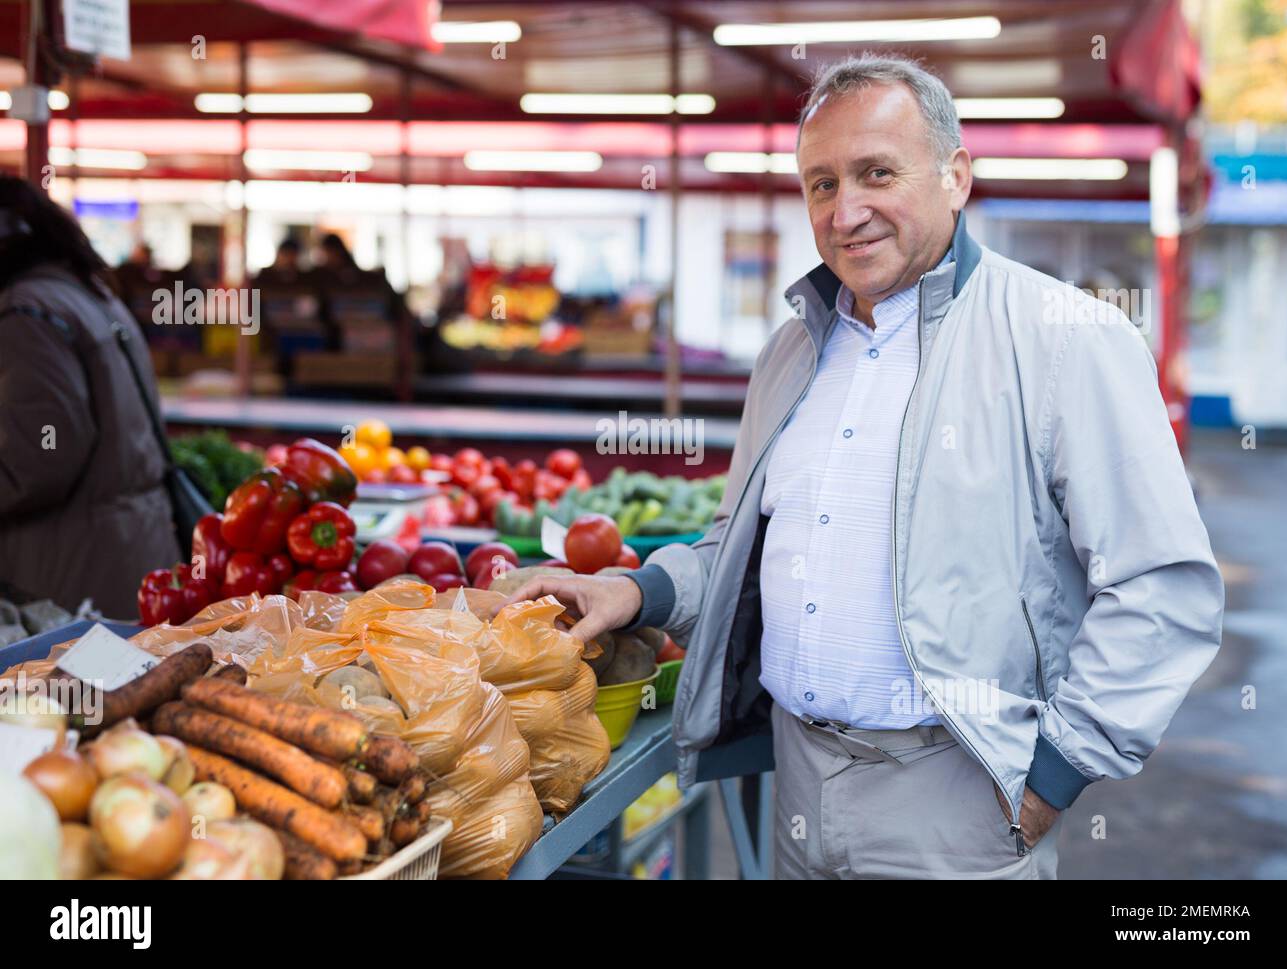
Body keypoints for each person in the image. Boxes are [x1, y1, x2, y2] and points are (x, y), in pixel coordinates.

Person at [500, 55, 1224, 879]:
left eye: (876, 172)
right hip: (797, 784)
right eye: (821, 184)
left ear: (955, 176)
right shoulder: (792, 352)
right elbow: (740, 548)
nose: (847, 211)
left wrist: (1055, 771)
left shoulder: (1064, 338)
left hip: (959, 804)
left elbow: (1162, 584)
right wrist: (639, 591)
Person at [0, 175, 181, 617]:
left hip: (72, 570)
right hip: (129, 550)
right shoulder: (88, 296)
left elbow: (44, 451)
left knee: (71, 687)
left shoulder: (27, 313)